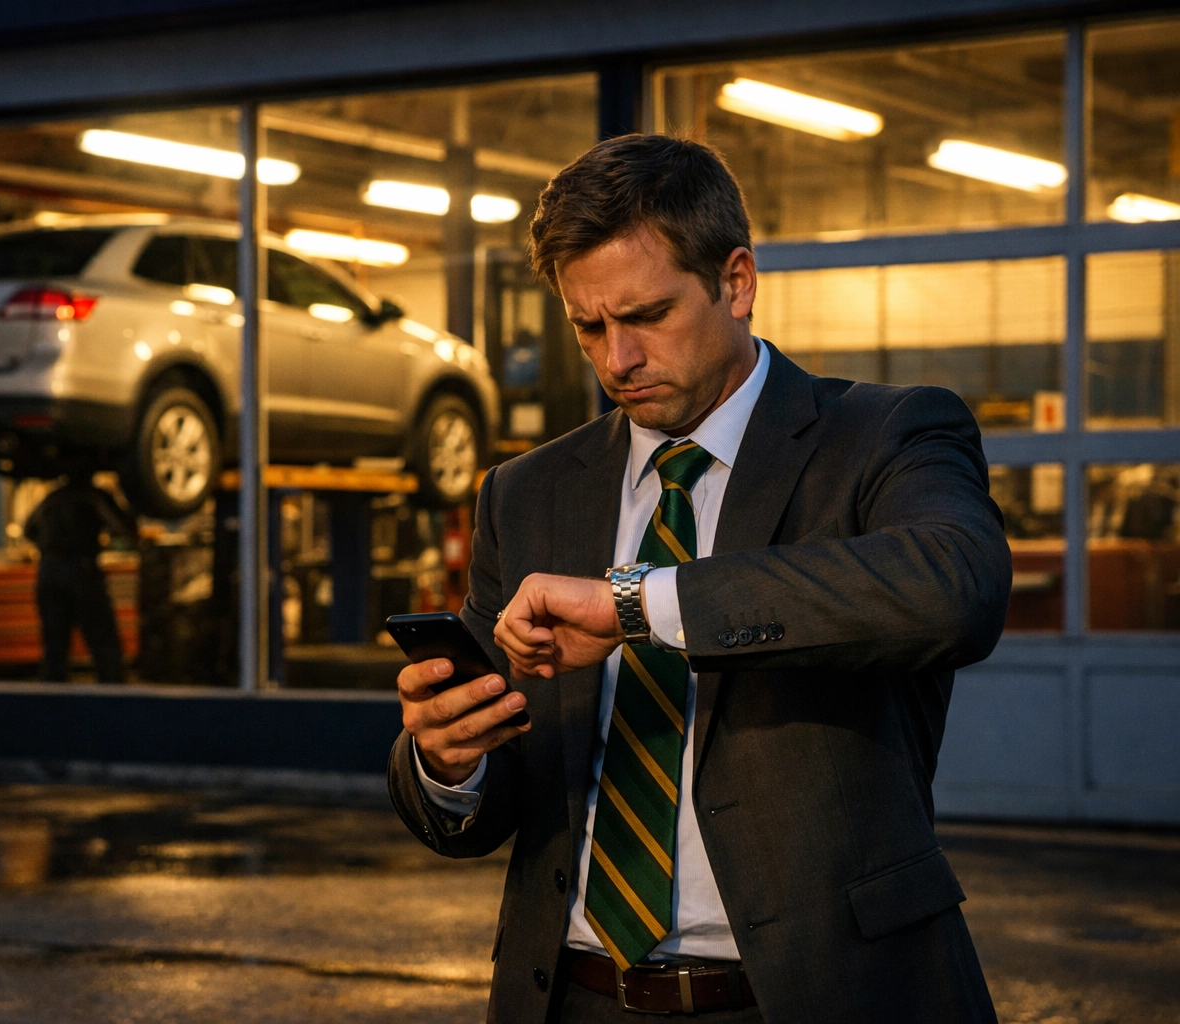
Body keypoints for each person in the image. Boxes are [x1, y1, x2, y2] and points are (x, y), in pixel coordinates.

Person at [388, 135, 1011, 1024]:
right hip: (576, 998)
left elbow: (956, 586)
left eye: (647, 315)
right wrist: (449, 762)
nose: (618, 360)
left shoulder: (882, 436)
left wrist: (639, 602)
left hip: (817, 996)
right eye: (588, 327)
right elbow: (495, 790)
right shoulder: (526, 494)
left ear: (737, 281)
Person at [25, 466, 138, 683]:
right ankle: (114, 698)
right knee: (104, 644)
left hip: (48, 572)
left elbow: (27, 529)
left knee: (54, 647)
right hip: (81, 571)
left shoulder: (51, 497)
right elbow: (125, 528)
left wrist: (49, 548)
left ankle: (52, 698)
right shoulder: (94, 496)